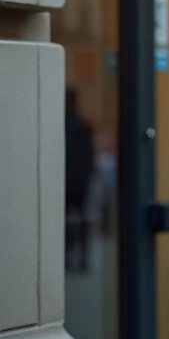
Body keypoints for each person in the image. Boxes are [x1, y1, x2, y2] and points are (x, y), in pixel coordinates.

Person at [64, 87, 95, 272]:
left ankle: (80, 256)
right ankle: (72, 255)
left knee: (78, 219)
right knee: (71, 220)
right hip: (74, 179)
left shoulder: (79, 126)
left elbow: (87, 155)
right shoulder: (77, 124)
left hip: (76, 180)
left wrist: (86, 174)